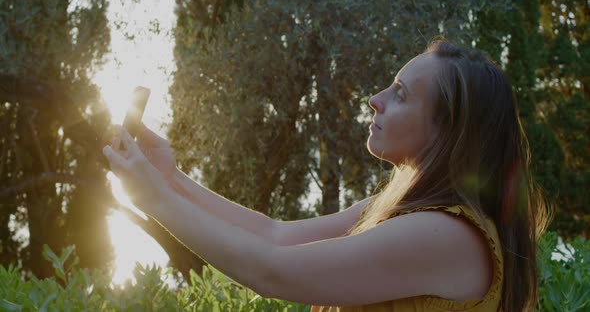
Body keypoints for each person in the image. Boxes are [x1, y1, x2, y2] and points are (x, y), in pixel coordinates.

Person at [103, 39, 552, 312]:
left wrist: (155, 199)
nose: (375, 99)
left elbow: (270, 271)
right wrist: (172, 179)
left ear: (447, 130)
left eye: (400, 95)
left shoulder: (443, 234)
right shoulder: (402, 212)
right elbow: (274, 235)